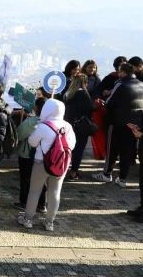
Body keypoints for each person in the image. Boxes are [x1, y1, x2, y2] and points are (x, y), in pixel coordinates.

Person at [18, 99, 76, 232]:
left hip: (41, 162)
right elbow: (72, 145)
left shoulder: (44, 126)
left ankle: (28, 219)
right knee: (55, 193)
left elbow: (32, 142)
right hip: (61, 164)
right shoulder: (68, 126)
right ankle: (50, 222)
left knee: (34, 191)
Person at [93, 63, 143, 187]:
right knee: (127, 151)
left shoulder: (120, 84)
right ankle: (122, 179)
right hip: (135, 124)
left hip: (118, 122)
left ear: (122, 72)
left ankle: (107, 174)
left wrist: (104, 101)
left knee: (112, 149)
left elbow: (109, 102)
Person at [14, 98, 47, 212]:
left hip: (27, 154)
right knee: (41, 181)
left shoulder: (31, 122)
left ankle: (24, 202)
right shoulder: (49, 122)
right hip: (43, 156)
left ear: (36, 108)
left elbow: (19, 134)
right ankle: (42, 204)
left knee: (26, 179)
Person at [63, 74, 95, 180]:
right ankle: (73, 172)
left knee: (68, 148)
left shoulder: (68, 94)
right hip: (81, 126)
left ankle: (63, 168)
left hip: (68, 124)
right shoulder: (84, 94)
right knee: (79, 149)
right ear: (85, 82)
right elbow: (90, 109)